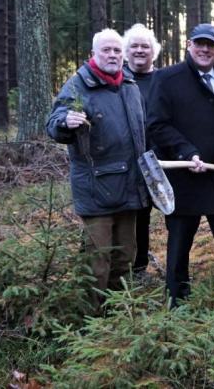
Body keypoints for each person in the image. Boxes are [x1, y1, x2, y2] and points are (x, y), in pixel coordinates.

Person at [147, 23, 214, 305]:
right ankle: (177, 301)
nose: (204, 50)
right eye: (199, 44)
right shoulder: (167, 78)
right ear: (189, 45)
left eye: (211, 45)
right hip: (185, 178)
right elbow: (156, 124)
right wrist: (186, 152)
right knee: (180, 242)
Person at [47, 28, 148, 307]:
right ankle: (91, 320)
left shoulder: (129, 84)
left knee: (126, 255)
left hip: (129, 187)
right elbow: (54, 122)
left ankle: (117, 314)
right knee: (97, 261)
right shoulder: (78, 86)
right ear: (94, 53)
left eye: (117, 50)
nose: (113, 55)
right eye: (107, 50)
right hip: (96, 189)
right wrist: (64, 122)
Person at [122, 23, 162, 277]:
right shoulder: (118, 78)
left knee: (144, 214)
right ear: (126, 51)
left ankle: (139, 268)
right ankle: (119, 268)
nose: (139, 50)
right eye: (134, 46)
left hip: (155, 160)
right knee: (123, 214)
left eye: (144, 46)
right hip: (122, 161)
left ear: (153, 51)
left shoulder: (162, 79)